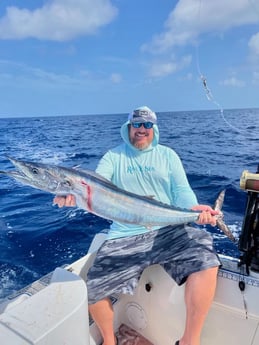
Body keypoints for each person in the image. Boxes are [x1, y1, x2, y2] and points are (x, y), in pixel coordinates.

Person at [54, 106, 221, 345]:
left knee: (205, 257)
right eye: (137, 125)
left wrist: (193, 209)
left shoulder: (168, 155)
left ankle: (189, 341)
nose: (141, 130)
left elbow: (181, 191)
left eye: (147, 125)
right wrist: (75, 196)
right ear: (128, 127)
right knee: (92, 288)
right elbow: (96, 188)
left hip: (168, 229)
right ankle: (110, 341)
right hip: (124, 235)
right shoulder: (113, 157)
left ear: (154, 129)